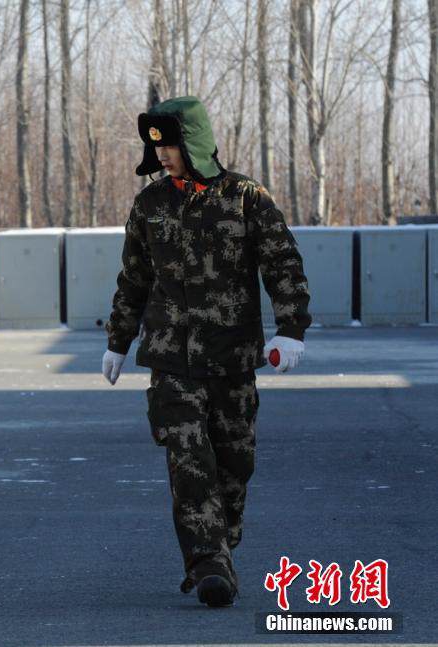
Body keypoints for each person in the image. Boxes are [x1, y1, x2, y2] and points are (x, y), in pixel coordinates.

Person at [101, 96, 311, 607]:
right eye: (158, 146)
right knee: (189, 459)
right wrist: (118, 341)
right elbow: (134, 278)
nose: (164, 155)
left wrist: (291, 329)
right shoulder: (149, 205)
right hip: (172, 361)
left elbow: (282, 263)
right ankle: (208, 564)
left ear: (192, 141)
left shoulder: (245, 198)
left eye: (171, 144)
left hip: (233, 359)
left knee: (234, 465)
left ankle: (221, 544)